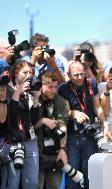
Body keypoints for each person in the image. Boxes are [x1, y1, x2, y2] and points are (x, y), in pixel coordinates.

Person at [58, 61, 106, 189]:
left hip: (90, 135)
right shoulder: (62, 89)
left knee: (90, 174)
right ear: (68, 74)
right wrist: (72, 113)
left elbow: (97, 107)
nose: (80, 78)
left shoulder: (91, 83)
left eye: (82, 74)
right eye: (76, 75)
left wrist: (105, 124)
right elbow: (59, 111)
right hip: (72, 136)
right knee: (72, 176)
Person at [6, 60, 41, 189]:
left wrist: (36, 98)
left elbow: (35, 119)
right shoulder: (7, 89)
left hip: (30, 140)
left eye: (31, 73)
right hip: (12, 142)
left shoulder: (28, 90)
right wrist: (17, 93)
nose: (29, 76)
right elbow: (10, 117)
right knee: (13, 183)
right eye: (25, 72)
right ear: (15, 72)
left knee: (32, 183)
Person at [34, 72, 68, 189]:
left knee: (54, 186)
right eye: (50, 87)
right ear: (41, 85)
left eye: (55, 87)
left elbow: (63, 126)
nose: (53, 91)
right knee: (36, 185)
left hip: (54, 152)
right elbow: (28, 127)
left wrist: (62, 149)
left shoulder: (60, 101)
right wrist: (42, 121)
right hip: (36, 152)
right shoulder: (33, 99)